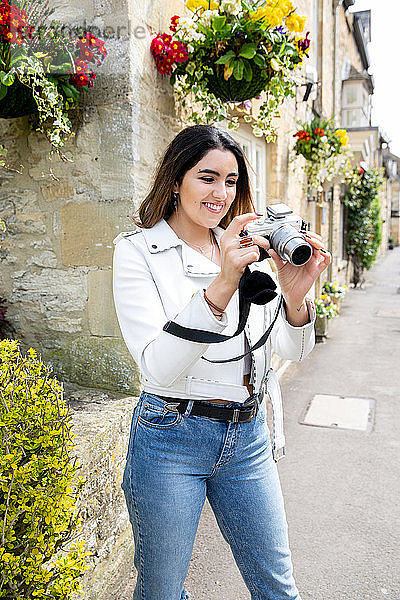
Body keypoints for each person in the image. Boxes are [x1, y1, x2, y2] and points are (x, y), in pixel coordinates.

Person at [112, 124, 331, 600]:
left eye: (231, 182)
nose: (221, 193)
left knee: (278, 588)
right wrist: (222, 283)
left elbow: (292, 351)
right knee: (162, 591)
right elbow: (158, 368)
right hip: (171, 435)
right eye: (207, 177)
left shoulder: (248, 248)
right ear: (175, 180)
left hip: (248, 436)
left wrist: (296, 297)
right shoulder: (138, 252)